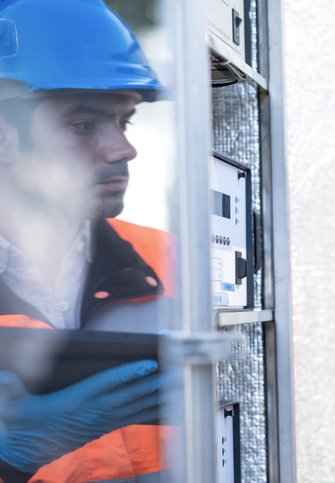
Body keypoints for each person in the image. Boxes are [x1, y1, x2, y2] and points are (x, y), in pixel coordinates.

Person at [0, 0, 178, 481]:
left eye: (125, 121)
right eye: (84, 124)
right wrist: (9, 460)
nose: (125, 149)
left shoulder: (176, 261)